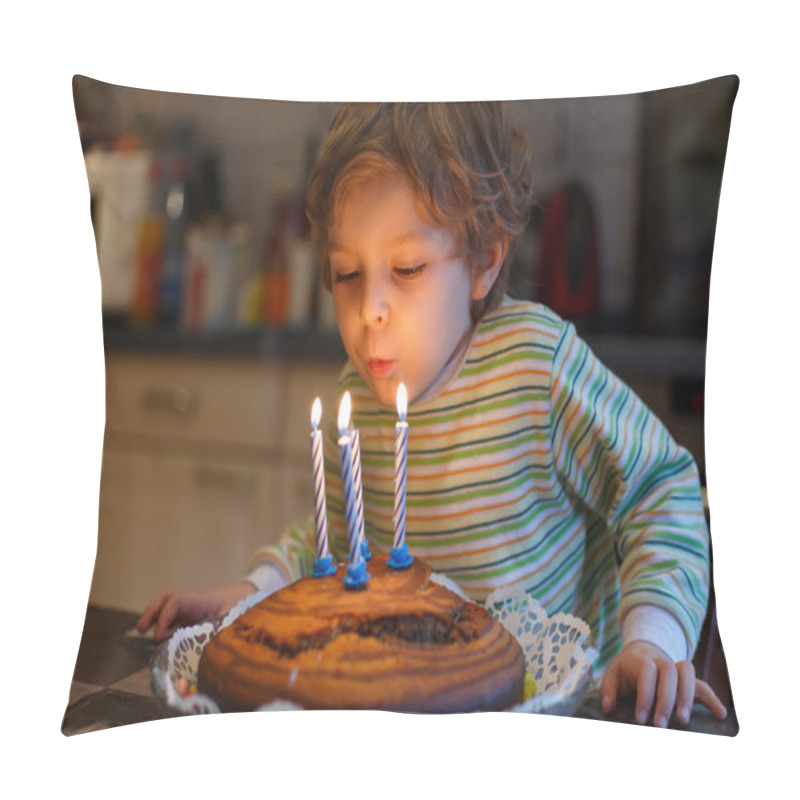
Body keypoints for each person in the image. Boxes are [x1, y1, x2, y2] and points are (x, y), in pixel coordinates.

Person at [138, 102, 727, 728]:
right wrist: (250, 593)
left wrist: (652, 639)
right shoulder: (355, 400)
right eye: (346, 274)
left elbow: (659, 492)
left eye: (407, 268)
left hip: (567, 719)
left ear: (484, 259)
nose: (371, 310)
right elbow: (332, 543)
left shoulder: (537, 367)